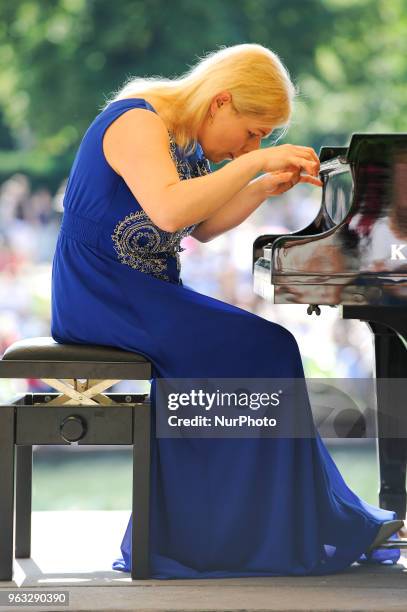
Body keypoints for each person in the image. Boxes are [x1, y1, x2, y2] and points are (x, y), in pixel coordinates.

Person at [50, 43, 404, 579]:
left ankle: (254, 526)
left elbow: (205, 227)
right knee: (266, 345)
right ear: (220, 103)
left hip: (144, 296)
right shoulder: (135, 122)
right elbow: (170, 211)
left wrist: (262, 185)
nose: (253, 144)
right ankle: (258, 528)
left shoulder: (184, 141)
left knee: (264, 346)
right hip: (102, 296)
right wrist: (256, 163)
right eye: (254, 130)